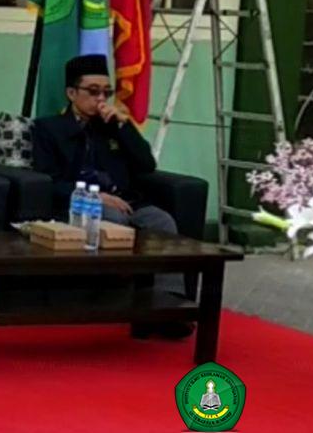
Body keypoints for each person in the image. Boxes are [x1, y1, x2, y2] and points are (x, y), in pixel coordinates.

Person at [31, 54, 193, 339]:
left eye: (106, 92)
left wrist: (124, 126)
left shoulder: (112, 126)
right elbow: (48, 180)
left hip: (128, 200)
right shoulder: (49, 129)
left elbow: (147, 165)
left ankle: (167, 306)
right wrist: (96, 197)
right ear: (72, 93)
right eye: (93, 92)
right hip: (81, 203)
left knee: (162, 222)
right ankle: (124, 306)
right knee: (113, 219)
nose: (101, 99)